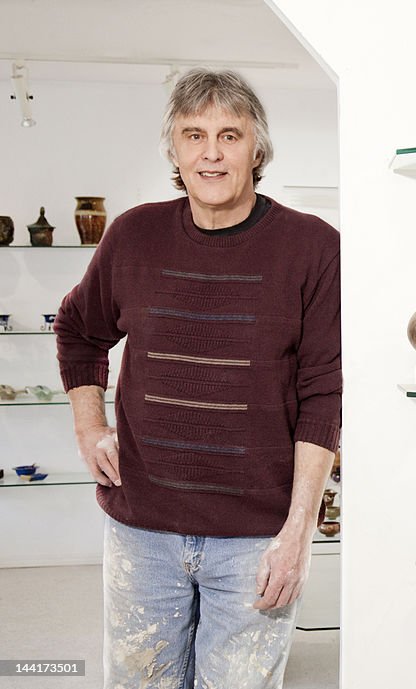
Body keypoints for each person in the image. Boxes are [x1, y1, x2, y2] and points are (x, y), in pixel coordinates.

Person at [54, 68, 342, 688]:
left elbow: (325, 395)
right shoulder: (133, 234)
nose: (211, 153)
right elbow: (78, 329)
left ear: (256, 149)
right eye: (194, 135)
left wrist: (298, 533)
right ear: (175, 151)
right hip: (141, 531)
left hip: (254, 538)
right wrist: (88, 426)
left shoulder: (314, 248)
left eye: (230, 135)